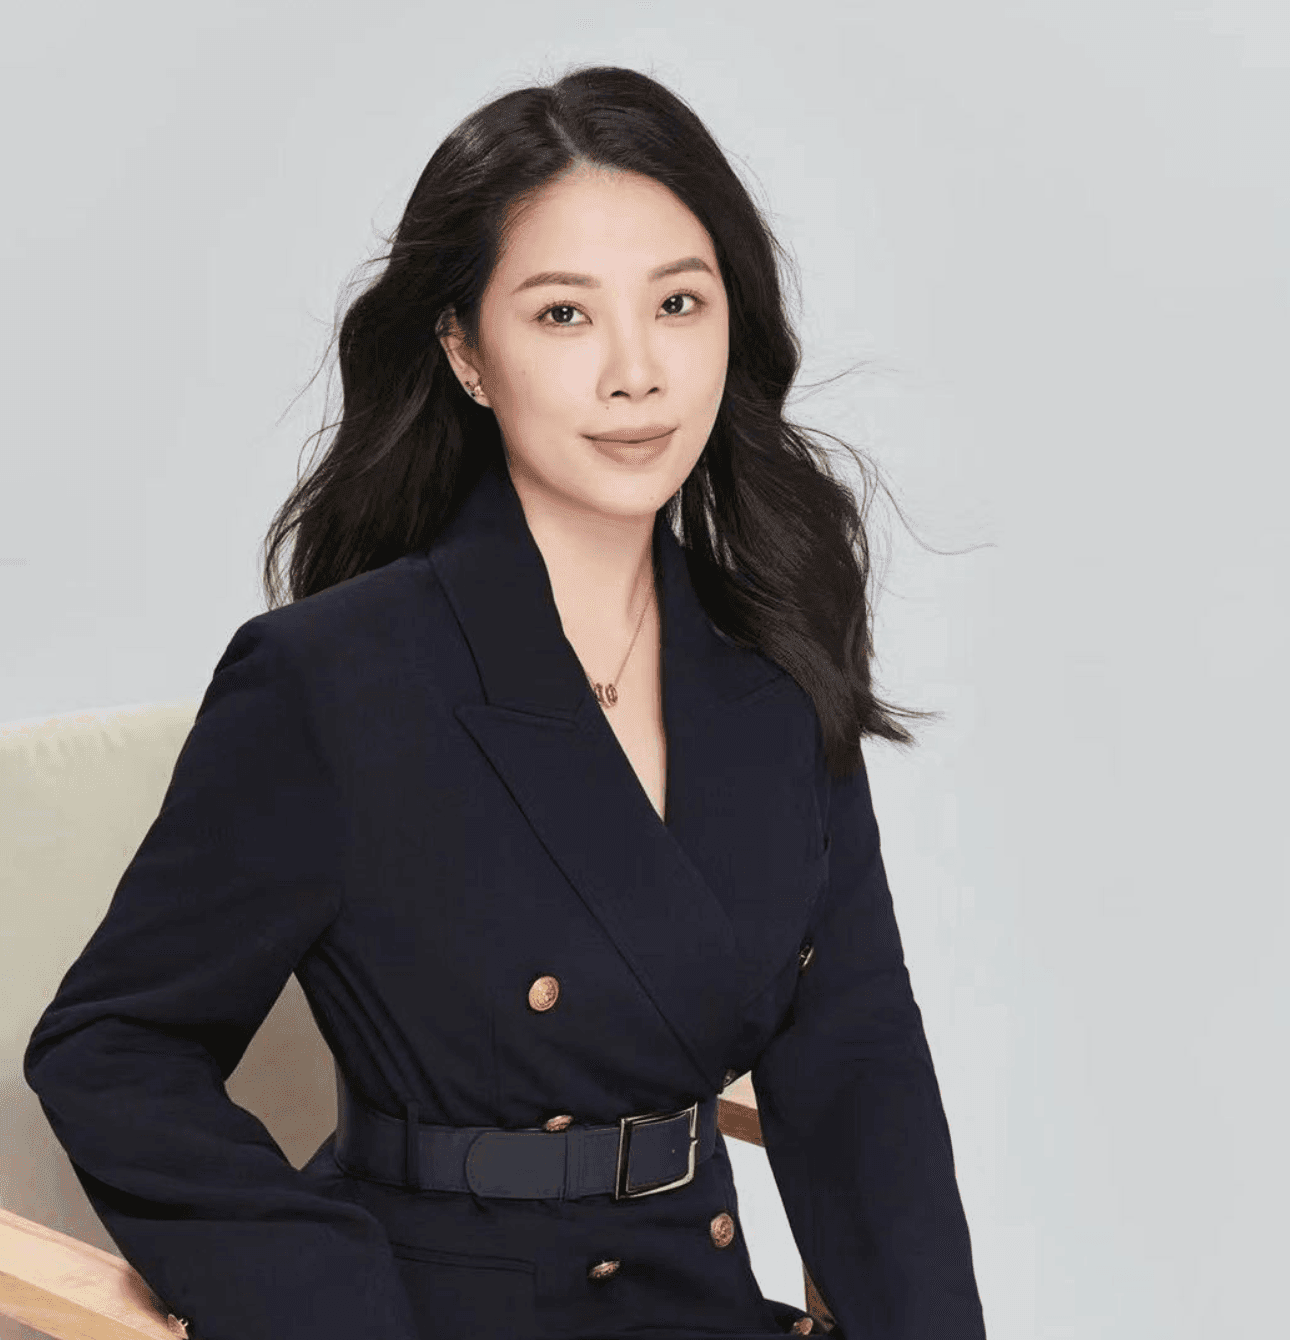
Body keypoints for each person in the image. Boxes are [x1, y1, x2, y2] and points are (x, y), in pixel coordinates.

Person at [24, 65, 988, 1340]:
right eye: (564, 316)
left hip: (693, 1297)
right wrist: (324, 1307)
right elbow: (112, 1044)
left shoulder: (767, 656)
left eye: (679, 303)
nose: (638, 374)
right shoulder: (335, 678)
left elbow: (857, 1049)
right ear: (468, 353)